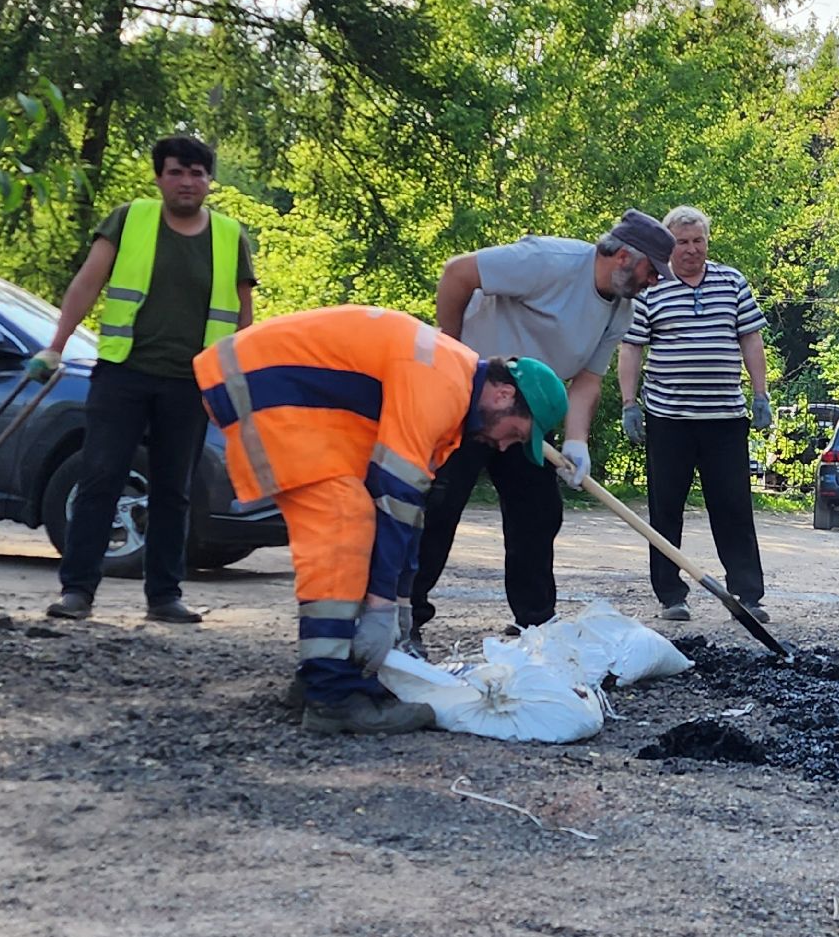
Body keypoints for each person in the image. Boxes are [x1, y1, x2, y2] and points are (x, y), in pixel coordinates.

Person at [194, 305, 568, 734]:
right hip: (262, 388)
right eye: (516, 433)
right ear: (503, 394)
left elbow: (409, 513)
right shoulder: (442, 384)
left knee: (355, 518)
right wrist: (380, 606)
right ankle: (331, 698)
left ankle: (324, 675)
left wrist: (402, 602)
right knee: (343, 524)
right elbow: (395, 498)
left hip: (282, 394)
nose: (504, 448)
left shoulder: (452, 395)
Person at [408, 210, 673, 652]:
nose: (654, 282)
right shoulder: (548, 261)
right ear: (624, 256)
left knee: (539, 510)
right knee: (438, 506)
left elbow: (588, 378)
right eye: (651, 271)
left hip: (526, 415)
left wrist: (576, 440)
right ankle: (405, 617)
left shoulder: (621, 313)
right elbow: (458, 273)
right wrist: (450, 353)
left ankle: (535, 621)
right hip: (469, 399)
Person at [26, 135, 256, 625]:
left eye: (197, 173)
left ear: (210, 181)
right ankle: (78, 592)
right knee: (100, 476)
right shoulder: (130, 219)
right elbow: (87, 282)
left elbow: (243, 313)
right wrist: (56, 345)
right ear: (159, 177)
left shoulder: (230, 236)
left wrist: (236, 377)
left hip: (190, 382)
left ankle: (165, 597)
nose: (187, 182)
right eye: (176, 172)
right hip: (123, 374)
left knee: (175, 489)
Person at [617, 206, 771, 623]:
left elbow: (751, 339)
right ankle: (671, 595)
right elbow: (631, 347)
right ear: (669, 245)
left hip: (725, 418)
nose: (691, 250)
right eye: (682, 242)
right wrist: (629, 403)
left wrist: (761, 394)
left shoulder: (732, 282)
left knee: (734, 506)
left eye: (697, 241)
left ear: (707, 242)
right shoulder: (651, 286)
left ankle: (747, 595)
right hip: (669, 419)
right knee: (665, 507)